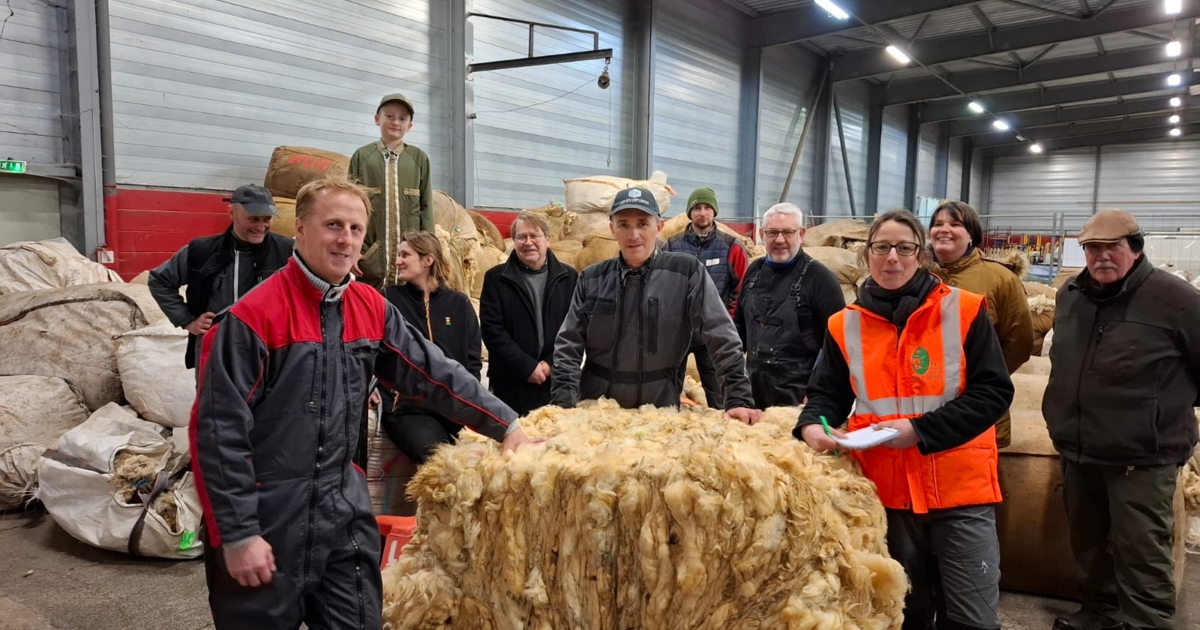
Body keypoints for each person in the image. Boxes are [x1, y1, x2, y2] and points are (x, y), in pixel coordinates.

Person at [190, 177, 535, 629]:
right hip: (268, 518)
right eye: (333, 225)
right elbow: (218, 435)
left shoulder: (369, 307)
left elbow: (434, 371)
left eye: (356, 229)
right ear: (301, 230)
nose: (346, 239)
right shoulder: (251, 319)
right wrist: (237, 534)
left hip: (341, 513)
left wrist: (505, 424)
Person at [795, 210, 1014, 630]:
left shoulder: (964, 310)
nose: (892, 257)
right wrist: (811, 424)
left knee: (971, 617)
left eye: (904, 248)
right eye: (881, 247)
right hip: (887, 496)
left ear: (921, 255)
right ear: (867, 255)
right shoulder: (844, 324)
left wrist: (920, 430)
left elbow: (993, 393)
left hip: (958, 493)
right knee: (900, 613)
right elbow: (827, 393)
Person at [1043, 209, 1200, 630]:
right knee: (1089, 544)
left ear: (1135, 247)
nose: (1101, 257)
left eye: (1111, 247)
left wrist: (1159, 411)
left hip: (1142, 457)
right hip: (1080, 448)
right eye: (1092, 248)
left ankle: (1147, 623)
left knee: (1142, 552)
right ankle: (1099, 613)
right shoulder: (1071, 294)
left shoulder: (1177, 300)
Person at [551, 186, 760, 425]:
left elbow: (721, 334)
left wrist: (738, 398)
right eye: (623, 225)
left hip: (659, 411)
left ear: (659, 227)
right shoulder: (592, 278)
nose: (633, 235)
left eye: (642, 224)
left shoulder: (686, 273)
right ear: (612, 229)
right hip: (597, 411)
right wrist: (563, 402)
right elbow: (569, 344)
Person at [148, 183, 293, 369]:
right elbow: (159, 280)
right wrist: (187, 320)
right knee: (213, 389)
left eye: (267, 219)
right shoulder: (201, 251)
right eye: (253, 219)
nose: (261, 226)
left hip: (270, 349)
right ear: (232, 213)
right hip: (214, 348)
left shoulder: (287, 252)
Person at [928, 201, 1033, 448]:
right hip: (923, 406)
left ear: (971, 236)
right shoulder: (915, 274)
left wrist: (985, 379)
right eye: (938, 224)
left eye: (955, 224)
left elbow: (1020, 341)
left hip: (978, 407)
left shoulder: (1000, 279)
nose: (944, 229)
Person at [377, 231, 482, 465]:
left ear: (428, 260)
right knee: (441, 462)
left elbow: (472, 360)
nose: (398, 261)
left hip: (455, 407)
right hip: (409, 408)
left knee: (481, 462)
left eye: (405, 255)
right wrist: (373, 388)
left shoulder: (459, 303)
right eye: (398, 255)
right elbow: (369, 349)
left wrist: (469, 400)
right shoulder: (388, 299)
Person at [733, 203, 844, 408]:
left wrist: (820, 393)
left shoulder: (820, 279)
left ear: (801, 234)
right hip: (753, 393)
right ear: (762, 234)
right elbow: (739, 327)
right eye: (772, 232)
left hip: (800, 398)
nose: (779, 239)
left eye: (788, 232)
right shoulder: (754, 271)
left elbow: (838, 344)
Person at [479, 211, 578, 416]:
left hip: (556, 381)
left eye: (534, 236)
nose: (528, 242)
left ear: (548, 239)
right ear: (514, 241)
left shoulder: (569, 278)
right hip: (511, 383)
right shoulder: (496, 279)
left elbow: (575, 328)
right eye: (521, 237)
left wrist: (550, 363)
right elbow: (492, 331)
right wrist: (526, 367)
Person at [664, 187, 748, 408]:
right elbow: (661, 285)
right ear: (689, 213)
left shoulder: (731, 246)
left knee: (718, 393)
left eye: (707, 207)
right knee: (668, 391)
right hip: (678, 331)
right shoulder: (672, 245)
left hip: (712, 332)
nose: (702, 213)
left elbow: (742, 289)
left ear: (714, 212)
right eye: (697, 208)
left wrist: (726, 322)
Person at [348, 92, 433, 289]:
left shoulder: (418, 159)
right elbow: (349, 208)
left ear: (410, 126)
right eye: (389, 116)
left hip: (410, 261)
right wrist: (353, 248)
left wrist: (428, 250)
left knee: (408, 303)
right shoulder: (362, 157)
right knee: (370, 303)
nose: (395, 122)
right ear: (377, 119)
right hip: (370, 259)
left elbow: (426, 208)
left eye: (402, 118)